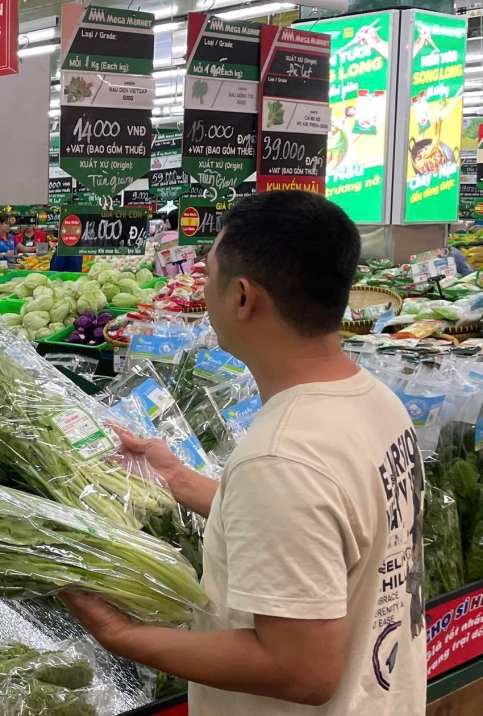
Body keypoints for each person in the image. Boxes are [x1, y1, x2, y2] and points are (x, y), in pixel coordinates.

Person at [62, 191, 425, 715]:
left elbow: (301, 670)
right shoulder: (375, 401)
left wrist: (122, 634)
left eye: (208, 275)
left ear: (242, 297)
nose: (201, 289)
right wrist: (178, 479)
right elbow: (330, 532)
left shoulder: (284, 457)